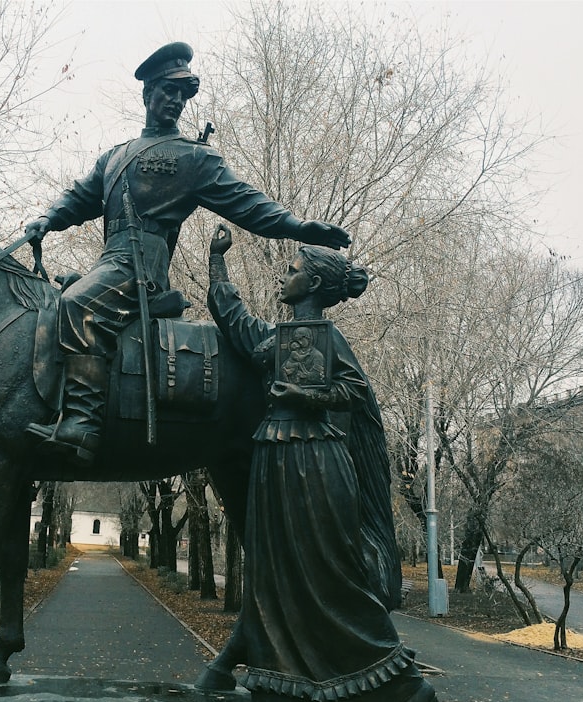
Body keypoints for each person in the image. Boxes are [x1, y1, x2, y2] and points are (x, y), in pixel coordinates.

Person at [24, 42, 351, 465]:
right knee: (51, 301)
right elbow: (79, 197)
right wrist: (47, 220)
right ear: (148, 94)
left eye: (184, 94)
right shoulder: (115, 157)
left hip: (141, 270)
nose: (176, 101)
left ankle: (82, 425)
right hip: (111, 262)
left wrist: (297, 226)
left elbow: (248, 203)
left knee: (75, 305)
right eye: (168, 91)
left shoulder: (195, 159)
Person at [203, 224, 437, 702]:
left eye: (291, 271)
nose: (284, 277)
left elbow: (353, 389)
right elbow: (235, 322)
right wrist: (217, 261)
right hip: (277, 460)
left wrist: (309, 397)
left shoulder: (328, 338)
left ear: (311, 284)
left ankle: (407, 685)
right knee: (277, 573)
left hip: (314, 462)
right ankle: (295, 690)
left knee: (328, 576)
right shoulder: (278, 337)